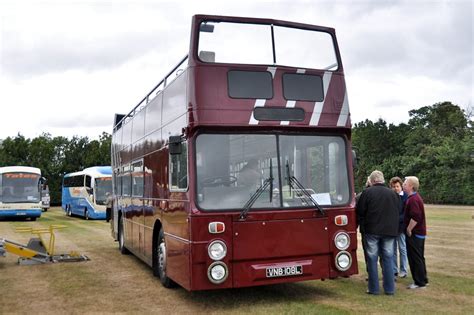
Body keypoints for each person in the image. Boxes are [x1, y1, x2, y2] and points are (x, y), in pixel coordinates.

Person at [356, 170, 400, 295]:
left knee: (372, 259)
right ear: (382, 180)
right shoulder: (393, 194)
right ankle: (390, 288)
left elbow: (360, 211)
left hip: (372, 230)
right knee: (388, 259)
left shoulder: (367, 193)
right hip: (390, 231)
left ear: (372, 180)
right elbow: (398, 210)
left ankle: (374, 288)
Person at [403, 176, 429, 289]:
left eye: (405, 183)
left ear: (411, 186)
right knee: (419, 256)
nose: (403, 184)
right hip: (419, 233)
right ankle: (423, 279)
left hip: (415, 233)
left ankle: (419, 282)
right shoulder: (413, 198)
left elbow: (416, 216)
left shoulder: (413, 199)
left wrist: (409, 229)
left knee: (415, 257)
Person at [389, 176, 409, 279]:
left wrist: (396, 218)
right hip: (392, 227)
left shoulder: (405, 197)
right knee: (392, 250)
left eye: (397, 186)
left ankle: (403, 270)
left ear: (401, 186)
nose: (395, 188)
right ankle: (394, 270)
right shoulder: (390, 196)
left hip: (401, 227)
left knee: (402, 249)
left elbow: (405, 213)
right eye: (393, 187)